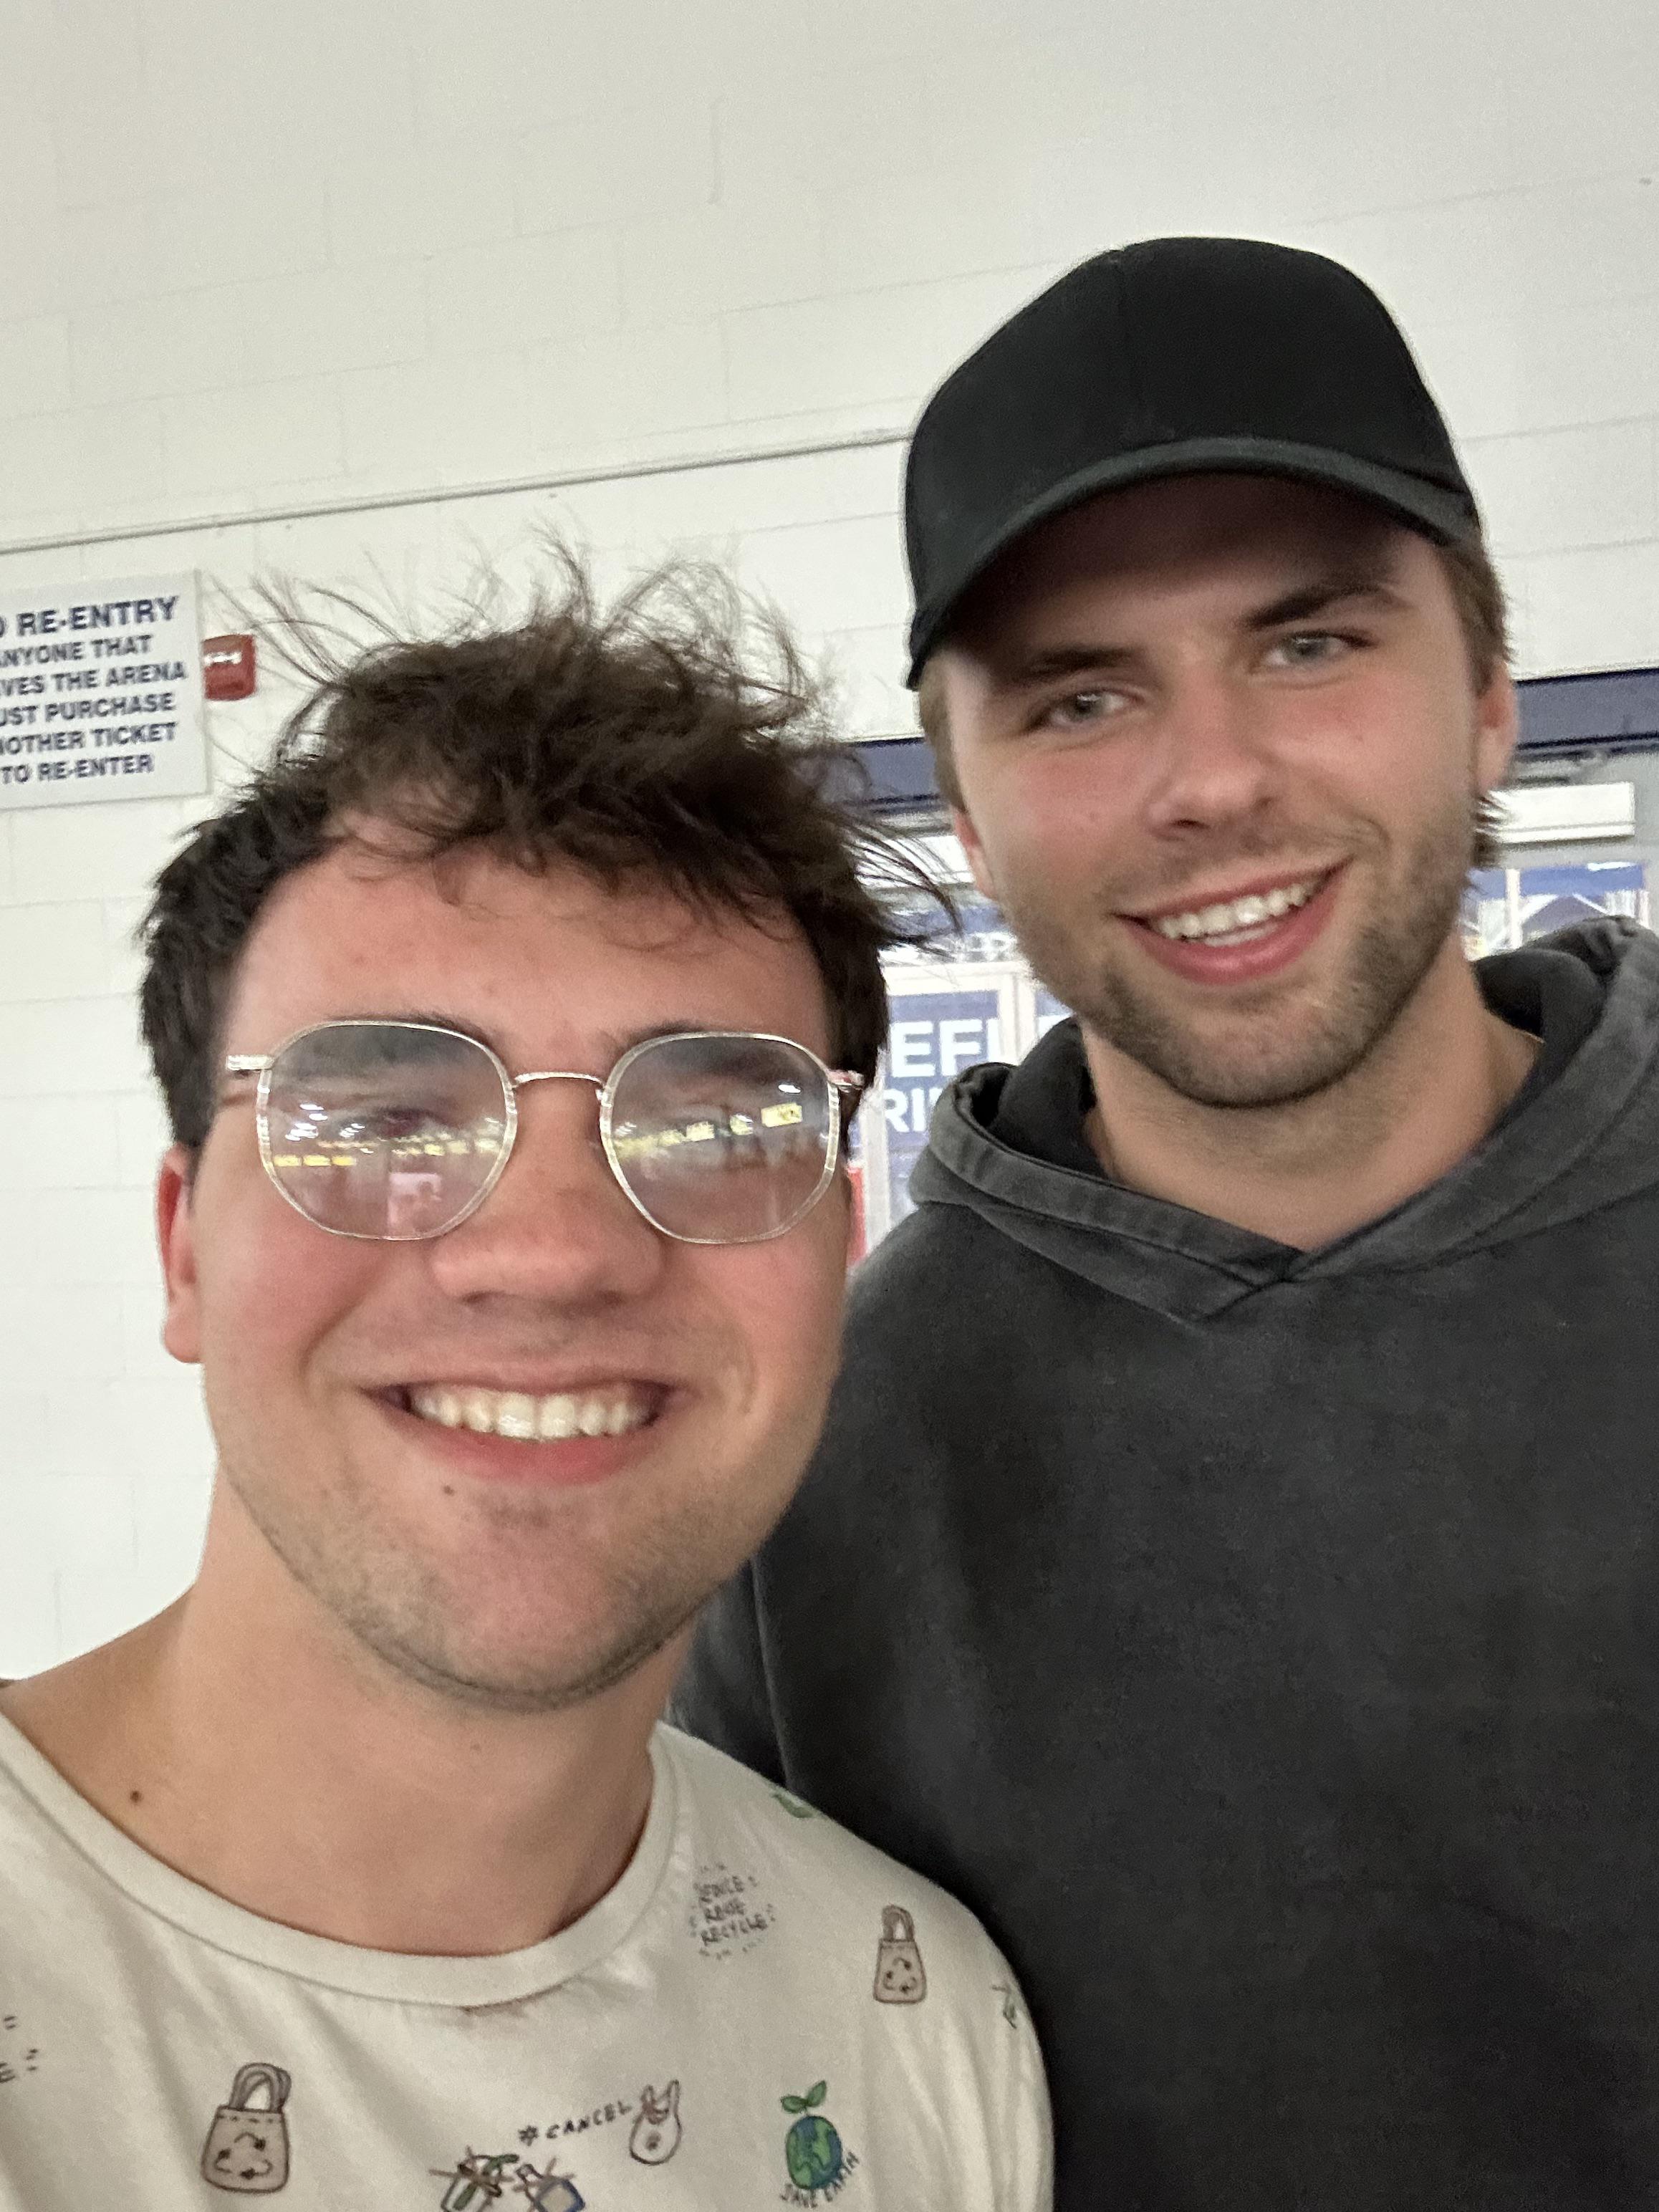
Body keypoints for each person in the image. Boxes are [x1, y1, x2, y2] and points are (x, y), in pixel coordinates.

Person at [675, 237, 1659, 2209]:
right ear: (967, 816)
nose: (1209, 781)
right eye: (1077, 698)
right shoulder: (826, 1451)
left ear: (1485, 696)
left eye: (1308, 645)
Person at [0, 566, 1050, 2211]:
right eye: (383, 1116)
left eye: (711, 1124)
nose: (555, 1252)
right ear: (184, 1246)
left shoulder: (919, 2012)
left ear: (836, 1248)